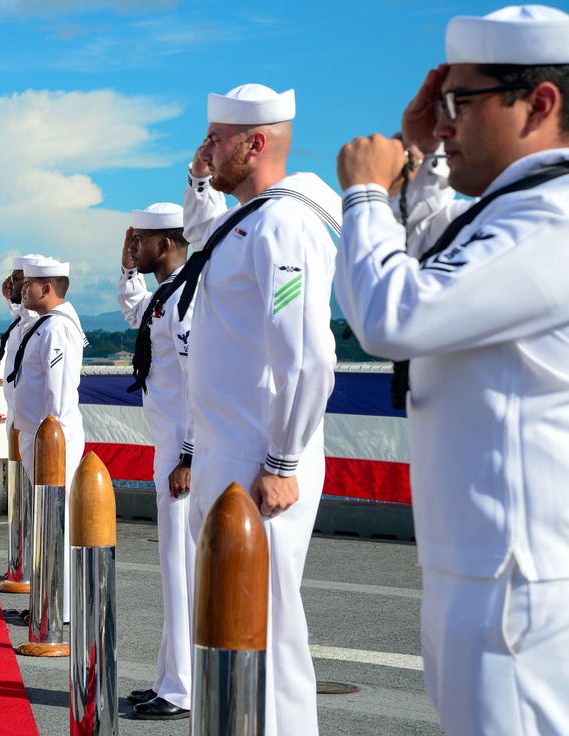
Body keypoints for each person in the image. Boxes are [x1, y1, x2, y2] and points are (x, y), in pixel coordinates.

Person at [334, 6, 569, 734]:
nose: (446, 122)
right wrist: (420, 147)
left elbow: (395, 315)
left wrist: (367, 193)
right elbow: (439, 252)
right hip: (482, 568)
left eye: (460, 103)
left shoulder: (551, 218)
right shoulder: (515, 213)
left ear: (539, 104)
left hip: (518, 579)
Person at [182, 84, 340, 736]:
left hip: (259, 457)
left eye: (218, 137)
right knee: (228, 627)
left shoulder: (286, 223)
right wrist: (198, 177)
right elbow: (205, 239)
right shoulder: (247, 219)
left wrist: (282, 458)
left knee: (268, 632)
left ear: (255, 143)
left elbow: (305, 354)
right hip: (229, 451)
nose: (208, 146)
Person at [116, 203, 196, 720]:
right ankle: (169, 677)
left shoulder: (189, 298)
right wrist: (126, 265)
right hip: (170, 444)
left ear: (164, 244)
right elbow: (134, 310)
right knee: (173, 569)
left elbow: (199, 383)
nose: (137, 246)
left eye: (141, 241)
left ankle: (183, 689)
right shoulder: (167, 295)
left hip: (187, 451)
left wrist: (189, 455)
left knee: (183, 569)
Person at [7, 256, 87, 620]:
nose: (22, 289)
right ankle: (49, 599)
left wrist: (47, 436)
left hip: (50, 439)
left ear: (47, 288)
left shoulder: (56, 328)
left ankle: (59, 605)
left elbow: (57, 394)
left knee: (56, 523)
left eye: (29, 285)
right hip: (37, 437)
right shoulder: (45, 324)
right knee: (46, 523)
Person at [0, 254, 42, 423]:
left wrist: (15, 299)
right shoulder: (23, 320)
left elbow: (29, 320)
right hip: (18, 414)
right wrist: (11, 299)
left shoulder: (41, 322)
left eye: (14, 279)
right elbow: (23, 317)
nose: (10, 283)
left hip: (35, 419)